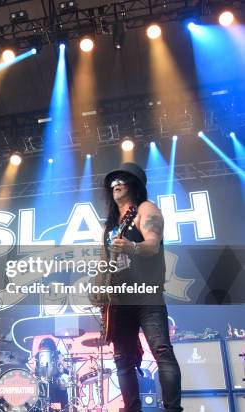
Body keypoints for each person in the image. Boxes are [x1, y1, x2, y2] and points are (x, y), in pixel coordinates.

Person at [99, 162, 182, 412]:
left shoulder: (146, 209)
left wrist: (132, 247)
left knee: (161, 352)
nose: (116, 184)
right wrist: (99, 290)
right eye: (113, 181)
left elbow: (153, 244)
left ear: (134, 184)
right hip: (119, 300)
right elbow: (104, 263)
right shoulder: (109, 225)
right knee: (122, 360)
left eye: (122, 179)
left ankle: (172, 410)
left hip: (146, 294)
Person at [34, 338, 68, 410]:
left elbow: (66, 369)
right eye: (42, 346)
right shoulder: (38, 355)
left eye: (45, 346)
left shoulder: (58, 354)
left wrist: (62, 365)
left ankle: (63, 408)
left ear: (51, 347)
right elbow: (35, 370)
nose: (43, 348)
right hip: (42, 379)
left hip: (56, 378)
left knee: (63, 385)